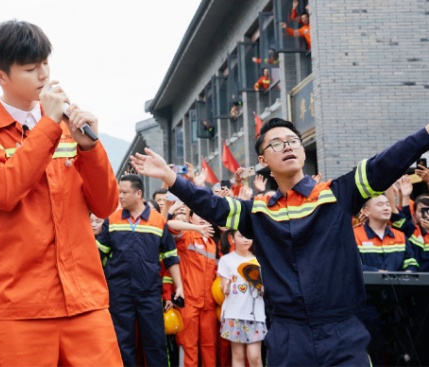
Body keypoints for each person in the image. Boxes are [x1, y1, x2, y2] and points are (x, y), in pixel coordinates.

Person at [131, 117, 429, 365]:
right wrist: (171, 178)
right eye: (276, 143)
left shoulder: (337, 194)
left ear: (302, 151)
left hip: (342, 332)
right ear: (263, 160)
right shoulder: (258, 211)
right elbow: (213, 205)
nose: (286, 146)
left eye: (292, 141)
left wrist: (425, 134)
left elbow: (385, 163)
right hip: (288, 337)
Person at [0, 20, 122, 365]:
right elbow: (2, 192)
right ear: (0, 77)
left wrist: (90, 148)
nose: (44, 74)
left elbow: (106, 206)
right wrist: (48, 126)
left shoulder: (69, 126)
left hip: (84, 300)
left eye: (45, 63)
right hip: (19, 306)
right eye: (31, 69)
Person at [96, 174, 182, 366]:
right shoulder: (112, 220)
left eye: (124, 192)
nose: (120, 196)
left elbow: (170, 256)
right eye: (119, 192)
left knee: (155, 342)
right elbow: (97, 255)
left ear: (138, 194)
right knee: (122, 343)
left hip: (149, 293)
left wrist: (180, 286)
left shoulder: (158, 221)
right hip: (119, 293)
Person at [168, 208, 219, 366]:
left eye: (205, 214)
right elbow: (169, 224)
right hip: (189, 302)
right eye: (197, 213)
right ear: (190, 218)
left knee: (209, 347)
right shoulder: (186, 236)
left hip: (208, 304)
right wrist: (196, 228)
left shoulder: (212, 244)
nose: (202, 217)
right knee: (187, 345)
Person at [217, 229, 266, 367]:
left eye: (248, 236)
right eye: (241, 236)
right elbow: (223, 287)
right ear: (232, 238)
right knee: (238, 355)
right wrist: (226, 286)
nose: (245, 239)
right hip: (234, 314)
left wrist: (262, 287)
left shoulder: (259, 260)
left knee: (254, 356)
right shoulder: (226, 260)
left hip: (255, 314)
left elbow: (265, 288)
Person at [354, 194, 418, 272]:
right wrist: (377, 273)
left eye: (388, 205)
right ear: (367, 211)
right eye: (380, 205)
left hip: (399, 280)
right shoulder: (355, 235)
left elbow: (411, 262)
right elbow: (352, 265)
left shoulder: (400, 236)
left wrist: (409, 271)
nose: (386, 208)